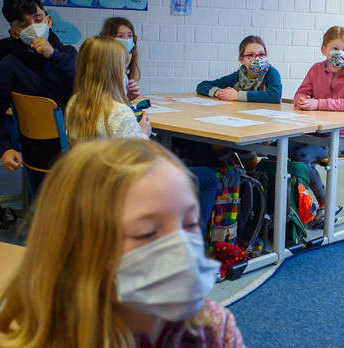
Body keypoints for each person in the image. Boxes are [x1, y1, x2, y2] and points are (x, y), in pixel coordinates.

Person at [0, 138, 270, 348]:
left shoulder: (213, 333)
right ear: (78, 254)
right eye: (147, 233)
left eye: (190, 223)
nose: (181, 247)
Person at [65, 37, 216, 233]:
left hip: (92, 190)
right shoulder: (119, 113)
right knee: (209, 177)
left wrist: (125, 101)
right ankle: (191, 244)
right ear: (114, 73)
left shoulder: (74, 104)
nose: (126, 74)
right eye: (124, 69)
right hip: (127, 195)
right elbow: (139, 166)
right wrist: (144, 134)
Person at [0, 0, 77, 185]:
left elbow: (83, 87)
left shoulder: (68, 54)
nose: (33, 27)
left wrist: (53, 55)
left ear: (48, 21)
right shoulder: (8, 66)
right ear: (14, 33)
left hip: (77, 140)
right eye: (24, 25)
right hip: (40, 150)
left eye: (38, 19)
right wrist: (5, 148)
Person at [290, 26, 344, 225]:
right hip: (319, 134)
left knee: (301, 155)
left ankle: (326, 204)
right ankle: (289, 202)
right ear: (324, 50)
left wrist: (318, 103)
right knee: (279, 146)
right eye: (335, 48)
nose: (340, 53)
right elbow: (301, 92)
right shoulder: (317, 69)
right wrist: (301, 100)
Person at [194, 35, 280, 172]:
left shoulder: (271, 73)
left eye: (261, 54)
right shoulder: (239, 76)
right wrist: (218, 92)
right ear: (242, 60)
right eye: (251, 55)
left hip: (265, 128)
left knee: (242, 144)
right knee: (215, 139)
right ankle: (234, 170)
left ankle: (251, 173)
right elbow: (202, 86)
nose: (257, 59)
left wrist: (237, 95)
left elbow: (275, 95)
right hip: (241, 124)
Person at [99, 16, 142, 103]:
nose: (126, 39)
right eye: (120, 36)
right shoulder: (104, 68)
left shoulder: (127, 64)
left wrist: (128, 98)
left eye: (130, 35)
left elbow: (119, 103)